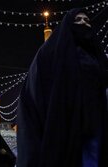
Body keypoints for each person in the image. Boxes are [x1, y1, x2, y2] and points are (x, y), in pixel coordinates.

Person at [17, 8, 108, 167]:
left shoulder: (97, 57)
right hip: (62, 126)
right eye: (77, 20)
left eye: (86, 21)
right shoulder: (48, 55)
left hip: (95, 125)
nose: (83, 24)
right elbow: (33, 95)